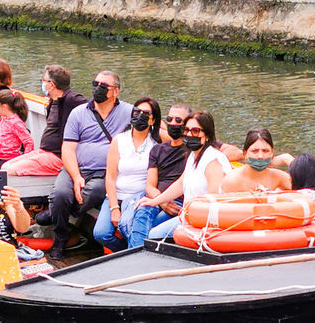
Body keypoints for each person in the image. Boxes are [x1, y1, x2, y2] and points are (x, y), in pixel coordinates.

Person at [44, 69, 132, 261]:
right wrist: (76, 177)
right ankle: (60, 236)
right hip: (76, 168)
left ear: (115, 91)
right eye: (95, 84)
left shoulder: (128, 111)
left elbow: (155, 124)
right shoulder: (79, 113)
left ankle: (57, 213)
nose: (97, 89)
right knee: (60, 194)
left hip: (105, 172)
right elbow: (67, 148)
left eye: (103, 86)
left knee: (93, 192)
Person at [139, 110, 230, 243]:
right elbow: (181, 184)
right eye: (186, 130)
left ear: (207, 135)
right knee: (148, 222)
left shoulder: (213, 161)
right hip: (188, 216)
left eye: (195, 131)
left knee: (155, 234)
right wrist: (154, 201)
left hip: (201, 221)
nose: (189, 134)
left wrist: (191, 218)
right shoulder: (193, 155)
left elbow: (214, 199)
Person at [94, 97, 160, 252]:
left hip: (138, 197)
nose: (140, 116)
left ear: (152, 120)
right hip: (117, 196)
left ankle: (132, 254)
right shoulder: (119, 140)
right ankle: (126, 252)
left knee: (127, 225)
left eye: (146, 113)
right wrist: (114, 207)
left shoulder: (156, 144)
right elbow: (110, 177)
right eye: (137, 112)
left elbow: (176, 138)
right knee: (101, 234)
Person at [125, 102, 191, 249]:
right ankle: (136, 256)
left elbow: (232, 152)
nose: (173, 123)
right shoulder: (158, 150)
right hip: (157, 199)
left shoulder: (193, 148)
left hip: (178, 203)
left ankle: (136, 256)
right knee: (142, 212)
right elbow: (149, 185)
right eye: (170, 119)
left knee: (147, 228)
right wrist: (161, 201)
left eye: (178, 120)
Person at [2, 65, 81, 177]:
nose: (42, 84)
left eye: (43, 81)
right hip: (44, 151)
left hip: (57, 156)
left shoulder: (70, 99)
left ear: (52, 84)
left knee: (9, 172)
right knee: (5, 167)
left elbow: (91, 107)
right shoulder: (53, 101)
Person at [220, 127, 293, 194]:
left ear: (272, 153)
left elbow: (303, 185)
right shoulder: (232, 181)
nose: (260, 156)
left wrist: (287, 159)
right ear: (245, 153)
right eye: (255, 151)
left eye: (265, 151)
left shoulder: (277, 176)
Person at [0, 90, 36, 163]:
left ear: (4, 107)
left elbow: (29, 141)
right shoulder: (3, 119)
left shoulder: (15, 122)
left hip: (8, 158)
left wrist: (25, 159)